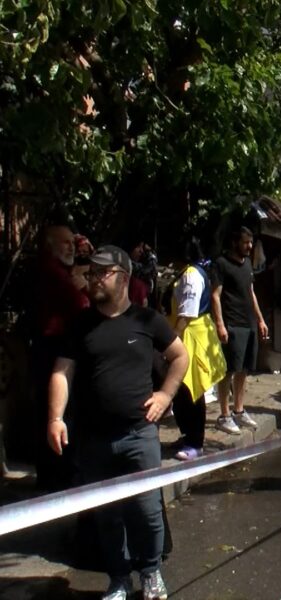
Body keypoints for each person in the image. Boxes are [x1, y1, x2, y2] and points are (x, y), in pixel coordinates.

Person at [47, 245, 188, 600]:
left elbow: (180, 356)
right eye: (91, 272)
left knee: (147, 510)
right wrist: (55, 418)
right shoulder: (81, 325)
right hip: (94, 440)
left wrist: (165, 395)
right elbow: (62, 372)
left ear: (123, 278)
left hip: (139, 435)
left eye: (101, 273)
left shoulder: (146, 320)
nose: (93, 279)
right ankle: (119, 579)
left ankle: (151, 572)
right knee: (107, 516)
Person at [30, 224, 89, 490]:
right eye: (65, 243)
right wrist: (83, 287)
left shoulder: (60, 270)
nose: (71, 248)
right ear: (50, 245)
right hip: (53, 350)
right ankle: (59, 477)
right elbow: (81, 306)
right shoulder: (52, 272)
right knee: (60, 411)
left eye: (72, 243)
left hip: (52, 348)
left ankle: (55, 474)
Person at [169, 239, 227, 460]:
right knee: (181, 391)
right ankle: (187, 435)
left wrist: (171, 342)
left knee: (192, 390)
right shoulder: (188, 272)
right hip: (188, 333)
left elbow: (187, 313)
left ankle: (196, 441)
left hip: (190, 336)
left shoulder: (192, 275)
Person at [210, 227, 268, 435]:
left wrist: (260, 320)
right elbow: (215, 295)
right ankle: (224, 415)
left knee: (244, 370)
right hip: (232, 324)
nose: (249, 246)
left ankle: (239, 410)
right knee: (229, 370)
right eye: (245, 242)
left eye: (251, 242)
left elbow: (251, 293)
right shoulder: (221, 264)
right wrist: (220, 324)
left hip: (249, 323)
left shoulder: (247, 265)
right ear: (235, 242)